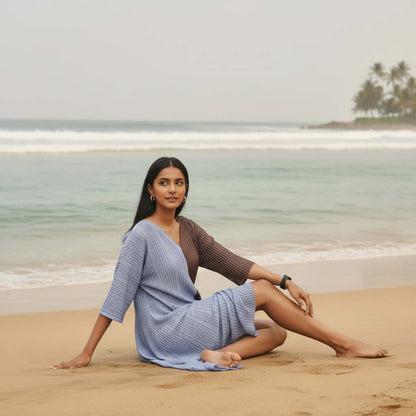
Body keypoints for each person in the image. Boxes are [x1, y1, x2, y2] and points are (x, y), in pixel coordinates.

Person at [53, 157, 388, 371]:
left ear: (186, 190)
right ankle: (343, 345)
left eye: (179, 182)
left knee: (275, 332)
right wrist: (86, 353)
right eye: (164, 182)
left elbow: (233, 265)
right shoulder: (140, 236)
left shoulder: (189, 229)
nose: (173, 189)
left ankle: (211, 354)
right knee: (262, 292)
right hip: (165, 330)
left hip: (188, 321)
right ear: (151, 190)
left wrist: (286, 281)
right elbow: (117, 296)